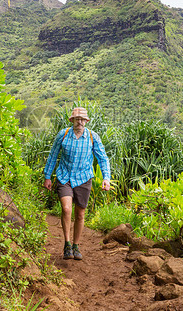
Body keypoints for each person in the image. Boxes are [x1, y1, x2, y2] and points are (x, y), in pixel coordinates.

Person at [43, 107, 111, 260]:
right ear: (72, 120)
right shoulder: (64, 134)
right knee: (66, 209)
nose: (79, 122)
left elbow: (103, 158)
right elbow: (53, 155)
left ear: (86, 121)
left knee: (80, 214)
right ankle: (67, 244)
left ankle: (76, 245)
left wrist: (106, 178)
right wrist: (48, 176)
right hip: (64, 176)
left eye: (82, 119)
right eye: (76, 119)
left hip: (84, 178)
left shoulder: (93, 137)